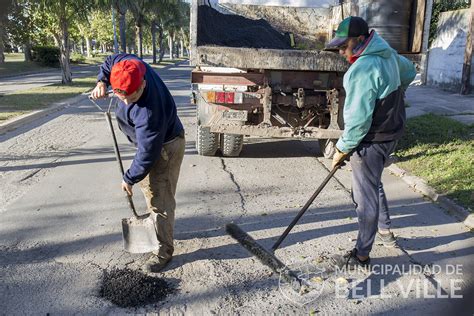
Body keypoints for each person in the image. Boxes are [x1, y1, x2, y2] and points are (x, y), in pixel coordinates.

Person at [326, 16, 416, 267]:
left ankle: (362, 254)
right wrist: (393, 97)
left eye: (344, 46)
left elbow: (357, 122)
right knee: (373, 184)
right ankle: (385, 231)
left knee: (364, 197)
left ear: (361, 40)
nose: (342, 52)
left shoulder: (362, 69)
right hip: (392, 133)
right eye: (339, 48)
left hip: (372, 139)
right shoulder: (388, 55)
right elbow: (410, 70)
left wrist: (342, 148)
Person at [91, 53, 185, 272]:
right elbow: (110, 61)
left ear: (142, 84)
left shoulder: (148, 112)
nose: (125, 101)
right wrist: (101, 81)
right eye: (120, 96)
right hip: (151, 146)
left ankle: (163, 252)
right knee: (152, 193)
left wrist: (129, 178)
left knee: (159, 201)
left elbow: (147, 153)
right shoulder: (129, 65)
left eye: (131, 98)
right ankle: (160, 228)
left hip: (164, 149)